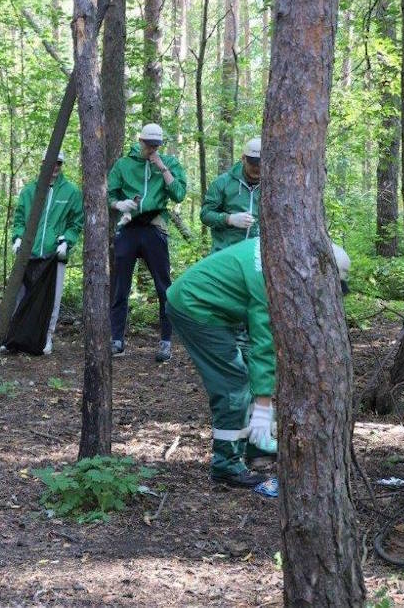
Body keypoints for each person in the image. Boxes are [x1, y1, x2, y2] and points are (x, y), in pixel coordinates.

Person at [165, 237, 351, 488]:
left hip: (220, 309)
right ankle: (226, 465)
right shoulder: (270, 279)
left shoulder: (281, 251)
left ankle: (255, 444)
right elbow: (264, 345)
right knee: (233, 383)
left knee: (246, 374)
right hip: (194, 306)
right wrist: (263, 406)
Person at [108, 122, 187, 362]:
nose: (152, 149)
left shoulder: (169, 163)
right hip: (129, 227)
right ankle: (116, 339)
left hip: (154, 227)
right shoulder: (124, 164)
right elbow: (109, 193)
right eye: (148, 144)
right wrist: (119, 204)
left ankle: (165, 342)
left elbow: (179, 194)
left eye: (156, 145)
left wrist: (162, 168)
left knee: (164, 286)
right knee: (120, 286)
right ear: (140, 141)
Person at [8, 150, 84, 355]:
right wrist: (17, 238)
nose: (54, 167)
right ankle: (13, 337)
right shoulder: (30, 190)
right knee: (20, 296)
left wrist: (67, 242)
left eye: (58, 163)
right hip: (29, 253)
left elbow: (76, 223)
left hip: (54, 255)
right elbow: (20, 219)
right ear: (43, 163)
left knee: (53, 299)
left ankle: (45, 338)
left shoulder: (71, 192)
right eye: (51, 163)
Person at [201, 137, 261, 254]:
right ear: (243, 159)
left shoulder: (273, 187)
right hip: (225, 252)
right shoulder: (223, 183)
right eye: (253, 163)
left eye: (260, 163)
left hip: (257, 254)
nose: (257, 168)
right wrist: (229, 219)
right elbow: (205, 214)